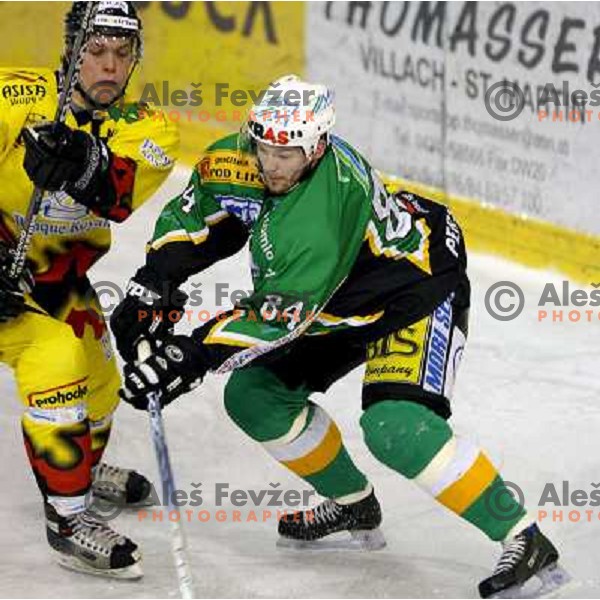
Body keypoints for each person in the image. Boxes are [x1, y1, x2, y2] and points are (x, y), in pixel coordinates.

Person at [110, 75, 566, 597]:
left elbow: (275, 315)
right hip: (331, 298)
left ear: (318, 145)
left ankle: (524, 538)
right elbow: (200, 214)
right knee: (254, 397)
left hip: (410, 287)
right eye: (265, 146)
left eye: (288, 153)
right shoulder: (240, 156)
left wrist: (189, 355)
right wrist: (156, 281)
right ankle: (355, 506)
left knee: (395, 424)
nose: (272, 164)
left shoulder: (320, 217)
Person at [0, 1, 179, 579]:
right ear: (71, 52)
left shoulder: (149, 127)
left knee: (101, 383)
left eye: (122, 54)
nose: (109, 66)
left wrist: (80, 158)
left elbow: (117, 195)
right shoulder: (11, 100)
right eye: (95, 51)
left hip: (61, 283)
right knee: (55, 359)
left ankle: (75, 464)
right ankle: (68, 518)